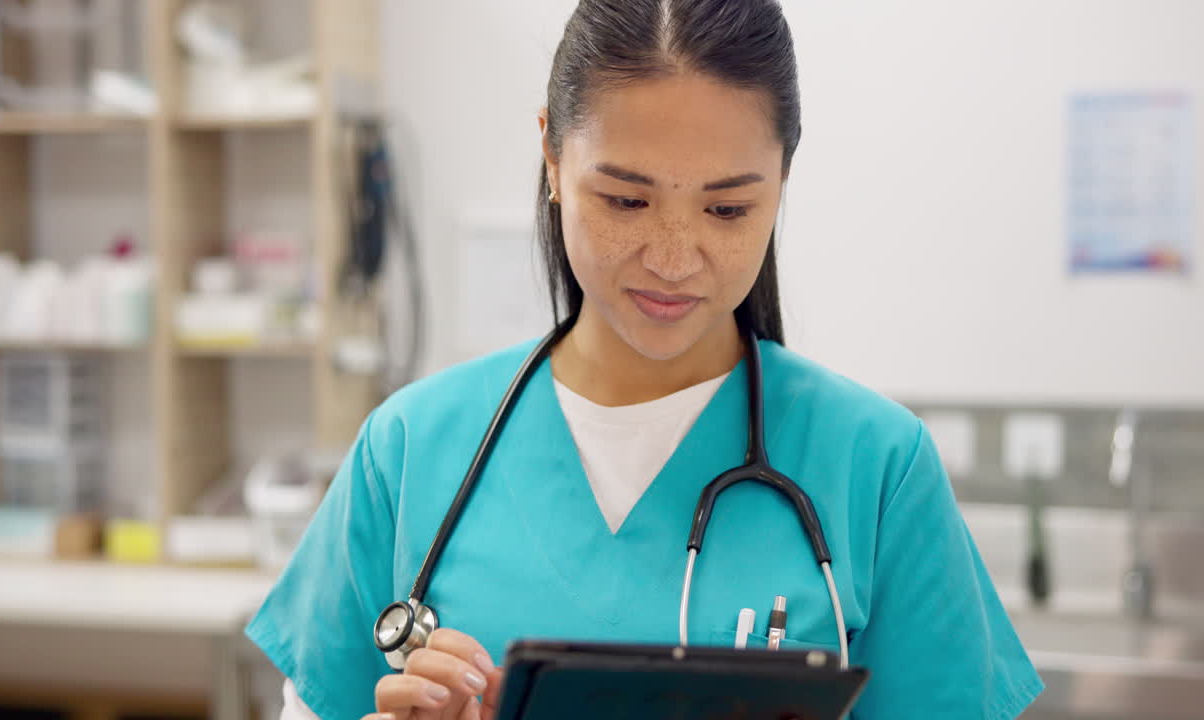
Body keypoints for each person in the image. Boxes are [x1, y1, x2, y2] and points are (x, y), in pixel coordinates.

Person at [247, 1, 1045, 718]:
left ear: (783, 183)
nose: (672, 257)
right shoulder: (411, 450)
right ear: (553, 161)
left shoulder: (875, 468)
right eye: (625, 200)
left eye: (728, 208)